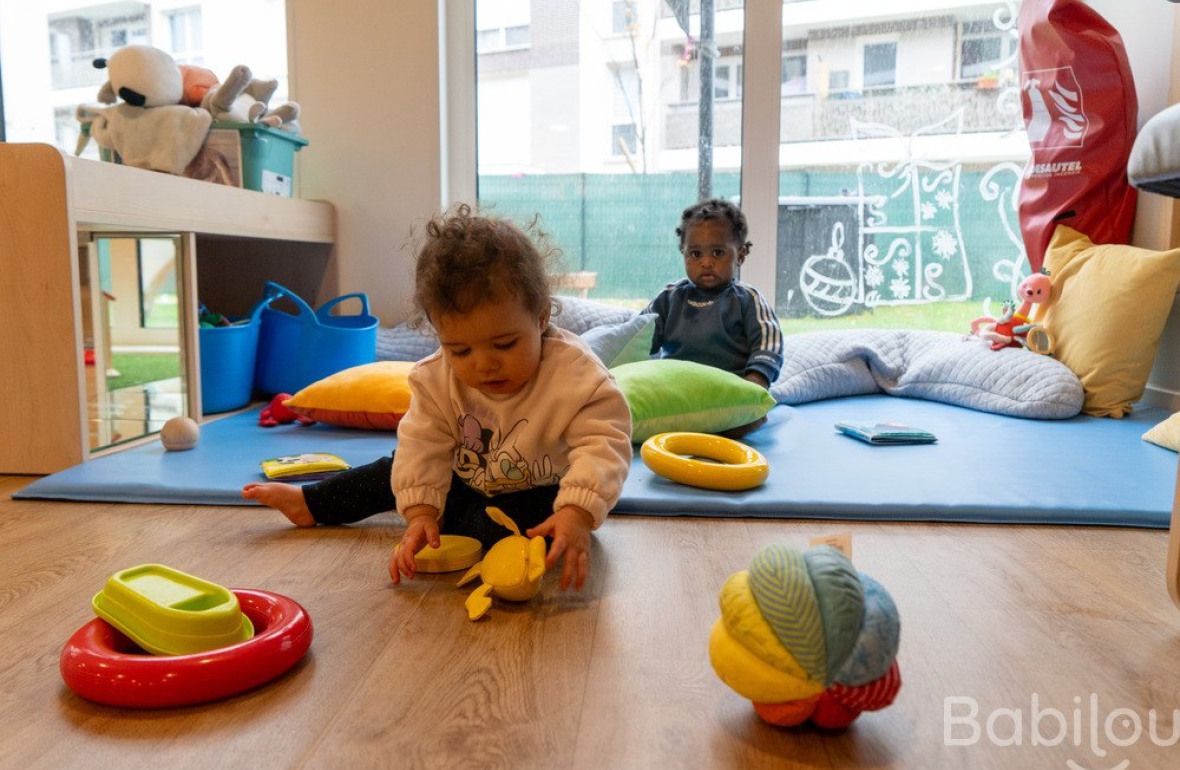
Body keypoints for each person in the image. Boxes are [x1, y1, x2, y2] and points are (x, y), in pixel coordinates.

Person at [243, 204, 633, 591]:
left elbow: (603, 444)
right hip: (463, 481)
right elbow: (422, 446)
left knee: (529, 525)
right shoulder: (435, 379)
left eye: (504, 344)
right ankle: (312, 503)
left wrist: (577, 511)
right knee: (395, 471)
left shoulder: (576, 376)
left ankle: (486, 524)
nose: (484, 365)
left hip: (541, 494)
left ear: (542, 317)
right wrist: (420, 513)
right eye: (460, 350)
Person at [644, 198, 784, 389]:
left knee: (749, 406)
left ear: (740, 255)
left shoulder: (748, 299)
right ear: (683, 253)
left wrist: (757, 378)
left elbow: (769, 343)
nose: (706, 263)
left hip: (731, 389)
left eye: (717, 253)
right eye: (695, 254)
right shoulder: (668, 299)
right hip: (675, 388)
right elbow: (636, 338)